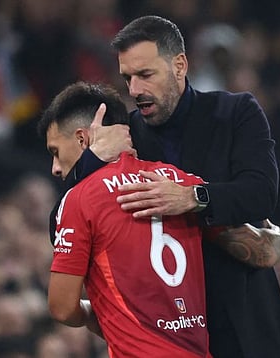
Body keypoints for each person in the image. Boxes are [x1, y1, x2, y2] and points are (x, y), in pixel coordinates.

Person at [61, 16, 280, 358]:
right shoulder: (124, 139)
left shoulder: (235, 111)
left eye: (145, 75)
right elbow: (62, 221)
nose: (134, 91)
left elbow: (261, 193)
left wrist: (192, 197)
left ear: (179, 65)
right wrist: (93, 160)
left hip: (246, 318)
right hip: (171, 332)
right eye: (127, 78)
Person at [41, 81, 212, 357]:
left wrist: (94, 311)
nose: (55, 168)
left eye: (56, 152)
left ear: (83, 139)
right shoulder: (181, 183)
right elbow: (256, 243)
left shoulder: (80, 198)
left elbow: (62, 307)